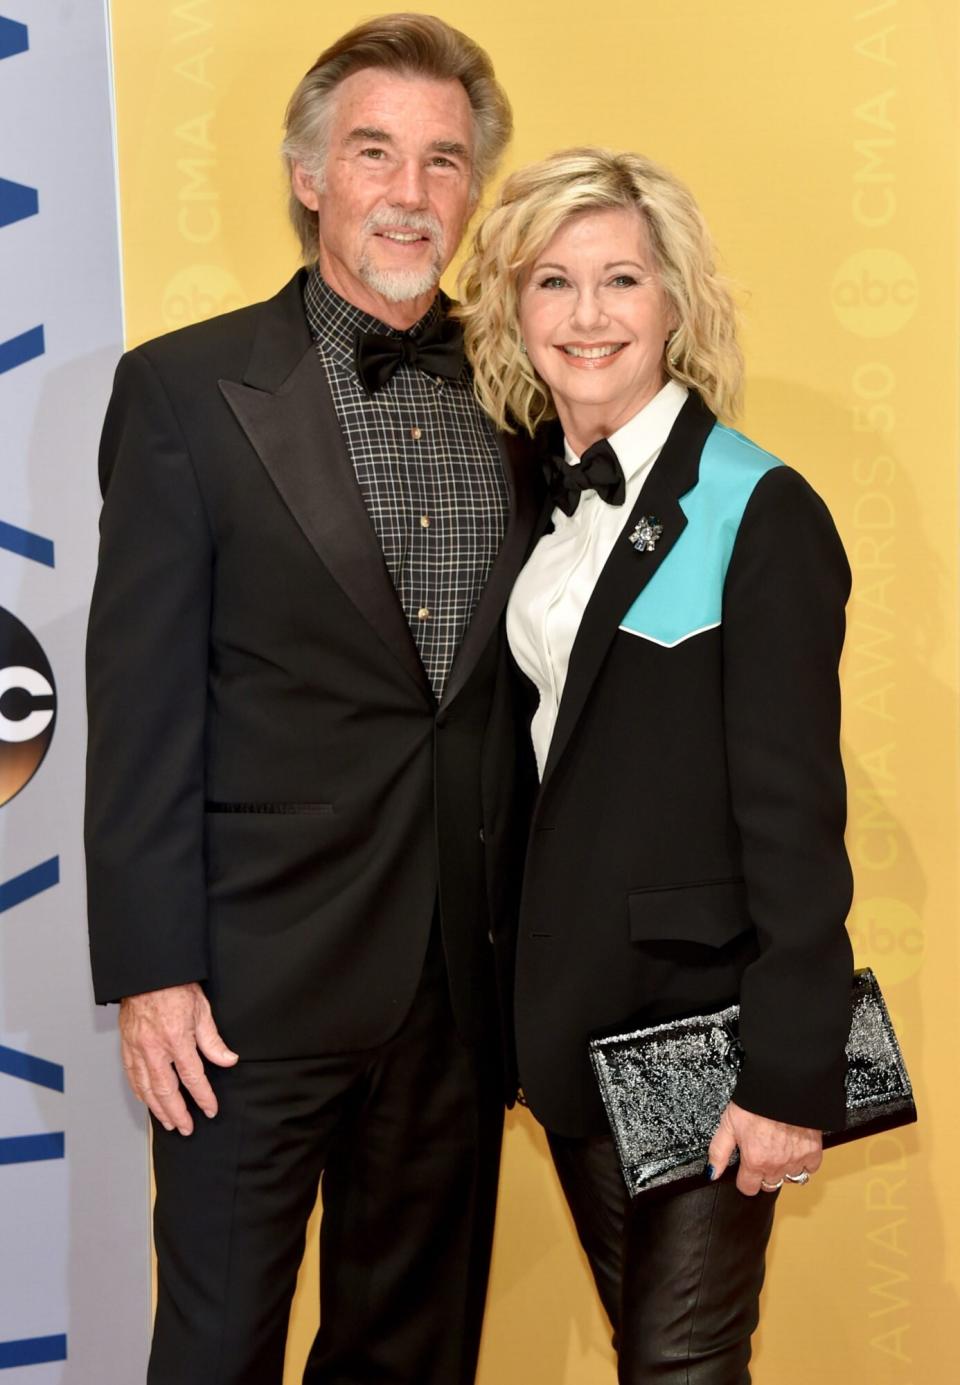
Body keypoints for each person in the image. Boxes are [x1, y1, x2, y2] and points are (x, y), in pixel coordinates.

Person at [85, 15, 542, 1384]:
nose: (410, 193)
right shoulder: (181, 390)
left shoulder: (533, 388)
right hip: (244, 993)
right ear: (308, 174)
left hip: (461, 986)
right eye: (374, 152)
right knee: (218, 1348)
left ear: (473, 191)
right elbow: (143, 701)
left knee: (413, 1354)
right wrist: (151, 971)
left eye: (444, 161)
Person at [457, 147, 854, 1382]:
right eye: (554, 281)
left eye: (622, 279)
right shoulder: (533, 489)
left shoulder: (758, 507)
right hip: (574, 1012)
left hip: (706, 1026)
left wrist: (791, 1070)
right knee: (662, 1350)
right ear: (515, 305)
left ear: (675, 302)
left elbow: (794, 813)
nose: (588, 316)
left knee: (680, 1359)